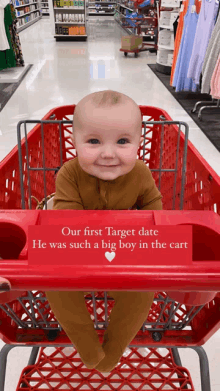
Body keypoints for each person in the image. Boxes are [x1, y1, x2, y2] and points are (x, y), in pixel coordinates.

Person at [45, 90, 163, 373]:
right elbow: (67, 222)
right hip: (77, 258)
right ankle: (86, 344)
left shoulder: (141, 174)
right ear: (74, 143)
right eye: (94, 141)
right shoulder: (69, 175)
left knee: (143, 289)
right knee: (54, 284)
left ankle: (114, 349)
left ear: (139, 143)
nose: (108, 153)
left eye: (122, 141)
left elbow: (156, 209)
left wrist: (149, 229)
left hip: (125, 260)